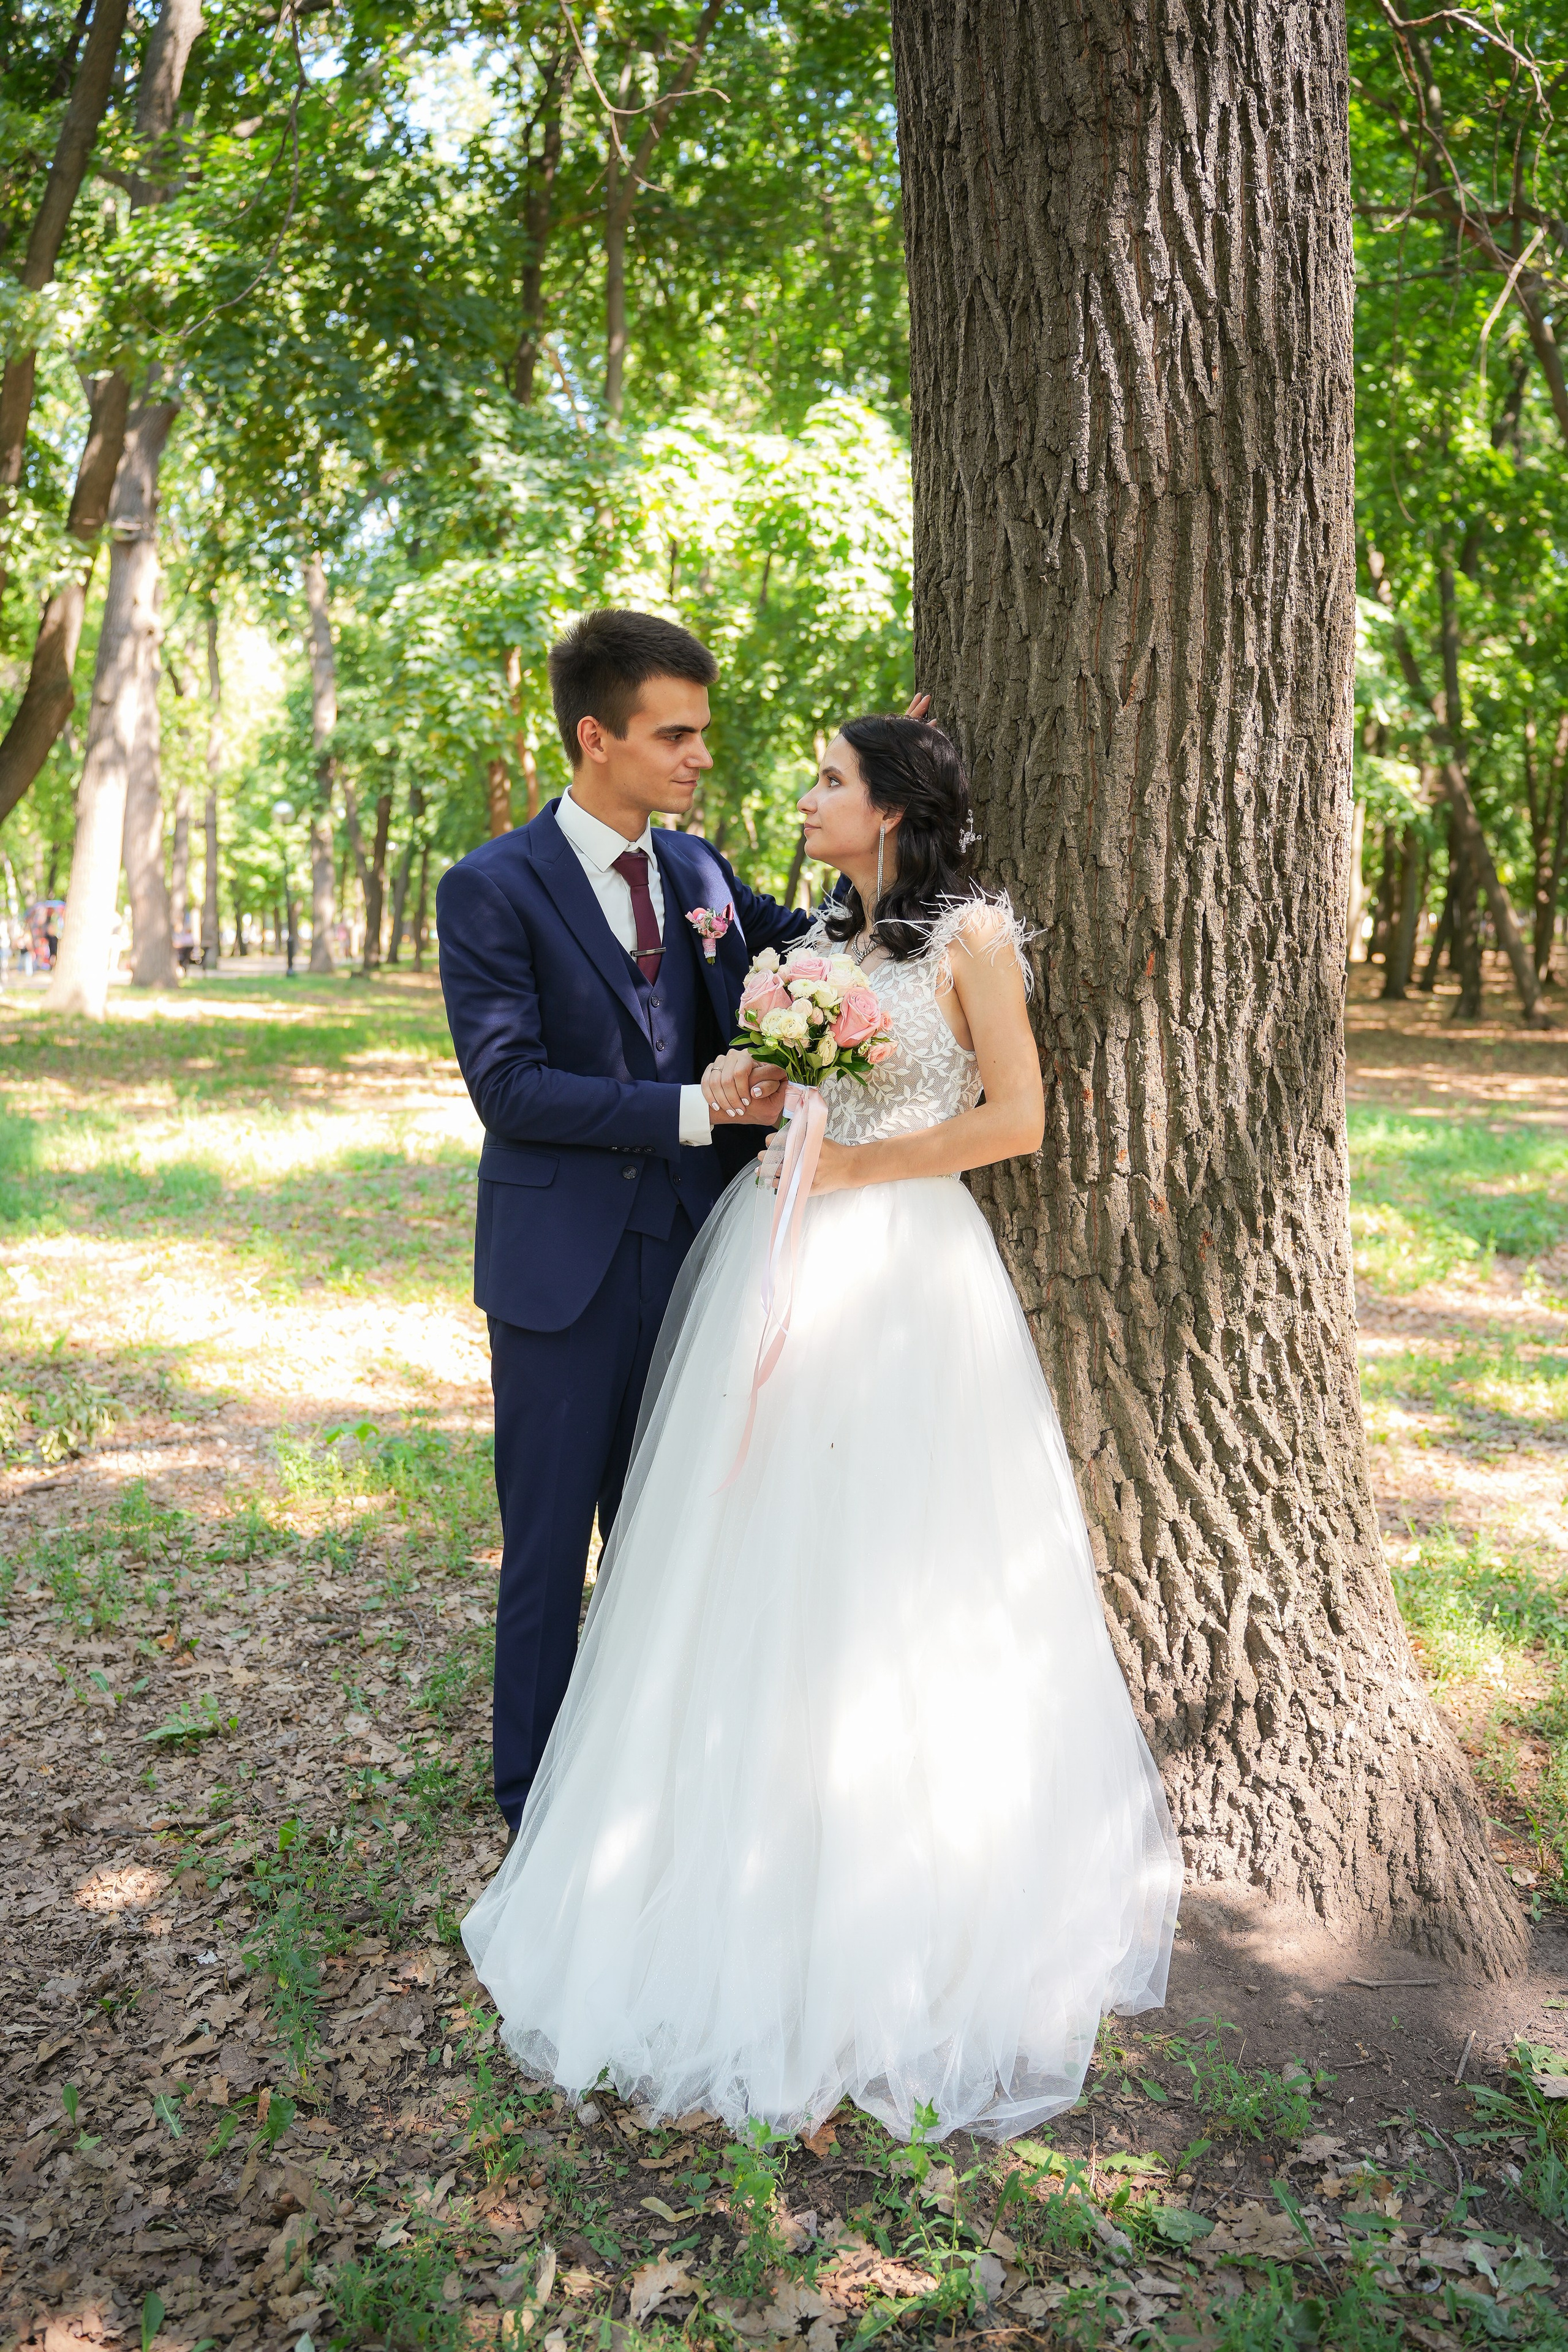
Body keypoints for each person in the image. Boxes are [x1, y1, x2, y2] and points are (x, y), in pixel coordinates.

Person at [462, 711, 1183, 2143]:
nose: (801, 797)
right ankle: (731, 1837)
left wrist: (861, 1167)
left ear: (893, 810)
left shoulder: (970, 938)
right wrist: (769, 1098)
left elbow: (1016, 1117)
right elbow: (779, 1080)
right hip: (775, 1251)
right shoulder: (811, 953)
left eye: (828, 781)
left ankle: (903, 1874)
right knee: (753, 1547)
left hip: (907, 1265)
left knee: (901, 1559)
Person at [437, 610, 813, 1841]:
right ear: (595, 737)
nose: (699, 756)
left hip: (701, 1260)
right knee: (548, 1553)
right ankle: (534, 1810)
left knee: (676, 1537)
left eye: (701, 734)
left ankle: (662, 1787)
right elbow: (509, 1088)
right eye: (675, 735)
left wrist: (885, 818)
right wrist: (686, 1108)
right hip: (559, 1274)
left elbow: (805, 951)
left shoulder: (700, 876)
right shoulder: (489, 888)